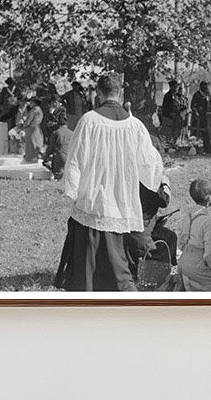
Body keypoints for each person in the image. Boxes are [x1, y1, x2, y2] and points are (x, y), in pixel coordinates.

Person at [55, 74, 163, 292]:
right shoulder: (135, 125)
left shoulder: (88, 121)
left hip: (93, 197)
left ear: (99, 93)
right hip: (122, 197)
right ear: (120, 93)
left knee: (88, 259)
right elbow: (150, 163)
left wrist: (73, 191)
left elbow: (75, 158)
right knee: (117, 258)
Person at [175, 179, 211, 291]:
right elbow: (210, 250)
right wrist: (210, 267)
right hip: (197, 264)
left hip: (183, 262)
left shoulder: (187, 217)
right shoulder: (208, 222)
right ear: (208, 198)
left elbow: (181, 243)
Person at [43, 107, 74, 180]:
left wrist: (45, 160)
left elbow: (50, 149)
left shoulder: (56, 133)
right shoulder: (72, 133)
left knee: (59, 175)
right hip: (71, 157)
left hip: (60, 158)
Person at [190, 81, 211, 155]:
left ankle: (207, 150)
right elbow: (193, 106)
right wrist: (196, 113)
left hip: (204, 117)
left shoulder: (206, 95)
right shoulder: (196, 95)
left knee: (206, 133)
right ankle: (194, 149)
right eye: (204, 86)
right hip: (197, 118)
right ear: (201, 87)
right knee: (195, 134)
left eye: (206, 87)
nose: (206, 88)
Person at [22, 97, 44, 163]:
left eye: (31, 102)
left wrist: (24, 125)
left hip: (31, 128)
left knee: (31, 144)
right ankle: (36, 157)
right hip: (37, 128)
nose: (30, 103)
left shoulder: (33, 110)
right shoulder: (40, 110)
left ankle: (30, 159)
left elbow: (28, 121)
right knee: (36, 143)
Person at [160, 80, 182, 145]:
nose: (176, 88)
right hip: (169, 117)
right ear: (171, 87)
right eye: (174, 87)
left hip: (177, 116)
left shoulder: (178, 96)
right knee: (168, 131)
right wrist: (170, 113)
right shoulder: (167, 96)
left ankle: (174, 144)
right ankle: (168, 144)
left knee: (176, 131)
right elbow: (165, 107)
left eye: (177, 87)